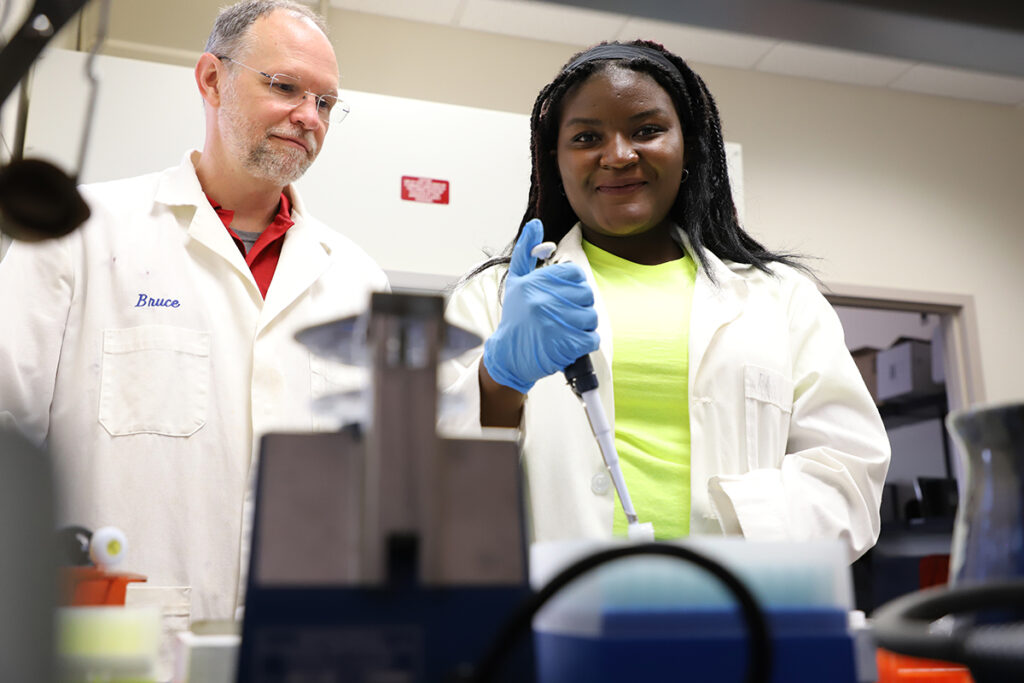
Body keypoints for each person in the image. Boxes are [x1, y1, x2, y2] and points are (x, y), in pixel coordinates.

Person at [0, 0, 387, 625]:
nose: (307, 117)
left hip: (296, 640)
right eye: (286, 87)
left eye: (325, 103)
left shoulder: (358, 280)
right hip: (115, 639)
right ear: (212, 79)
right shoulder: (79, 235)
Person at [442, 40, 890, 561]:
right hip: (558, 615)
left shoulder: (783, 300)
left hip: (735, 612)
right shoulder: (495, 300)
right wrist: (498, 382)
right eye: (587, 137)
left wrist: (721, 539)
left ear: (689, 146)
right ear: (555, 161)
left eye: (647, 130)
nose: (618, 155)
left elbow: (849, 481)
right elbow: (430, 483)